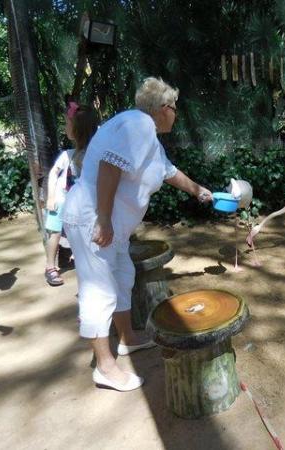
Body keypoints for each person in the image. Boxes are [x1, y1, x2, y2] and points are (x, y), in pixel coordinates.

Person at [62, 77, 212, 391]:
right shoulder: (139, 125)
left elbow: (168, 172)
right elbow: (108, 167)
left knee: (122, 275)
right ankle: (104, 367)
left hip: (113, 227)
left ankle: (128, 338)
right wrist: (103, 218)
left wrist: (198, 190)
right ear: (162, 108)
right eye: (174, 108)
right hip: (93, 220)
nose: (176, 114)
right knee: (98, 289)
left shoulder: (148, 136)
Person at [44, 102, 99, 286]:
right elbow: (53, 173)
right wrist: (51, 197)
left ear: (78, 130)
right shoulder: (67, 155)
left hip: (79, 205)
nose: (65, 127)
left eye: (68, 124)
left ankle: (78, 258)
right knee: (55, 232)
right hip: (60, 200)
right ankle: (50, 267)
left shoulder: (92, 155)